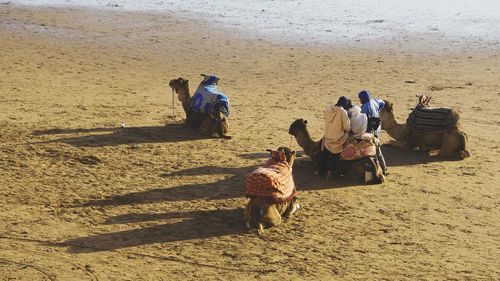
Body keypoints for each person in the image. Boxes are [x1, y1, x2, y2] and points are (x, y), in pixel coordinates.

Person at [318, 96, 351, 179]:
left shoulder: (328, 109)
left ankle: (319, 170)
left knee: (324, 154)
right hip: (337, 139)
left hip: (327, 136)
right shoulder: (342, 112)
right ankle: (329, 173)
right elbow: (347, 127)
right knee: (334, 156)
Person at [358, 90, 388, 175]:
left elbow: (362, 120)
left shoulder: (364, 107)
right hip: (377, 128)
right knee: (378, 150)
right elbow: (383, 103)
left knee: (373, 151)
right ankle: (384, 168)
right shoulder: (375, 101)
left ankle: (378, 171)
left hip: (371, 131)